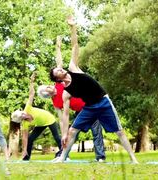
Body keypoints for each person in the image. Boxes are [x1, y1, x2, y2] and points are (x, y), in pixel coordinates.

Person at [49, 16, 138, 163]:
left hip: (103, 102)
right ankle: (62, 157)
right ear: (57, 79)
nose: (60, 69)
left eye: (59, 68)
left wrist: (73, 28)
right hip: (89, 107)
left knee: (119, 131)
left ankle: (133, 159)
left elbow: (75, 46)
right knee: (72, 131)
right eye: (57, 71)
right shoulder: (66, 93)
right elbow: (65, 116)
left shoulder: (73, 69)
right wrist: (64, 134)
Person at [36, 22, 106, 162]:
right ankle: (64, 155)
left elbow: (59, 62)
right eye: (47, 88)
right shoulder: (56, 102)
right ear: (47, 94)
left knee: (96, 131)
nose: (49, 86)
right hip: (80, 111)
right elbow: (62, 119)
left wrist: (58, 47)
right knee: (72, 132)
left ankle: (100, 157)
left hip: (90, 102)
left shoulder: (60, 81)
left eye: (47, 85)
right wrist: (64, 131)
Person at [11, 72, 62, 161]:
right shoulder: (25, 123)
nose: (24, 113)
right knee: (30, 139)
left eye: (22, 112)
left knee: (57, 137)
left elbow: (31, 94)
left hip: (49, 119)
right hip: (40, 124)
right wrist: (24, 150)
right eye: (22, 115)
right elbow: (24, 138)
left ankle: (64, 153)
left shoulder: (27, 108)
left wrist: (31, 81)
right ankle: (27, 157)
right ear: (21, 119)